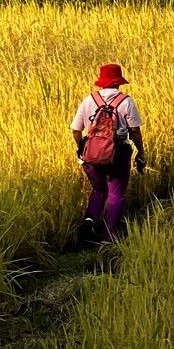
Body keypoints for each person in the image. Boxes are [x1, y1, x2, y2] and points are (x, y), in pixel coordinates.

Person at [71, 63, 146, 244]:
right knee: (116, 194)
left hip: (91, 154)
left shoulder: (89, 100)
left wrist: (82, 148)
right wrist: (141, 152)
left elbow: (75, 129)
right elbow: (134, 130)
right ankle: (108, 235)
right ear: (119, 82)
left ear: (102, 81)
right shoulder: (126, 101)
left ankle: (89, 220)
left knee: (98, 189)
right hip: (118, 153)